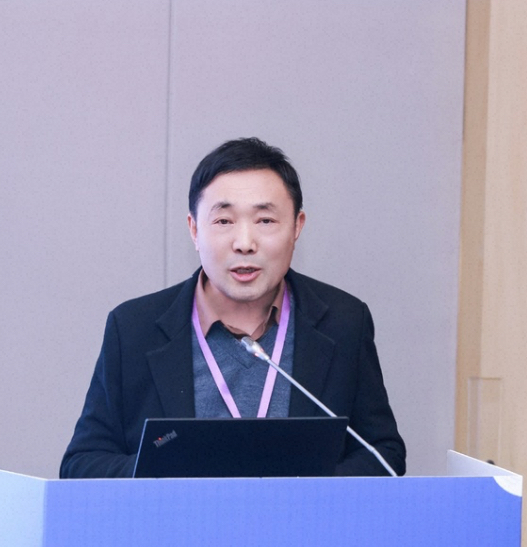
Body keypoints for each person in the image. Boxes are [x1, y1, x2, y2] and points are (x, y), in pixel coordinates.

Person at [60, 137, 405, 478]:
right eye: (224, 221)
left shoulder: (344, 323)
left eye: (265, 221)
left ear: (297, 226)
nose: (244, 243)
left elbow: (384, 455)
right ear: (194, 229)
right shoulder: (134, 328)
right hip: (182, 516)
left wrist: (308, 488)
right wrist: (168, 472)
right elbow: (82, 464)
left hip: (299, 516)